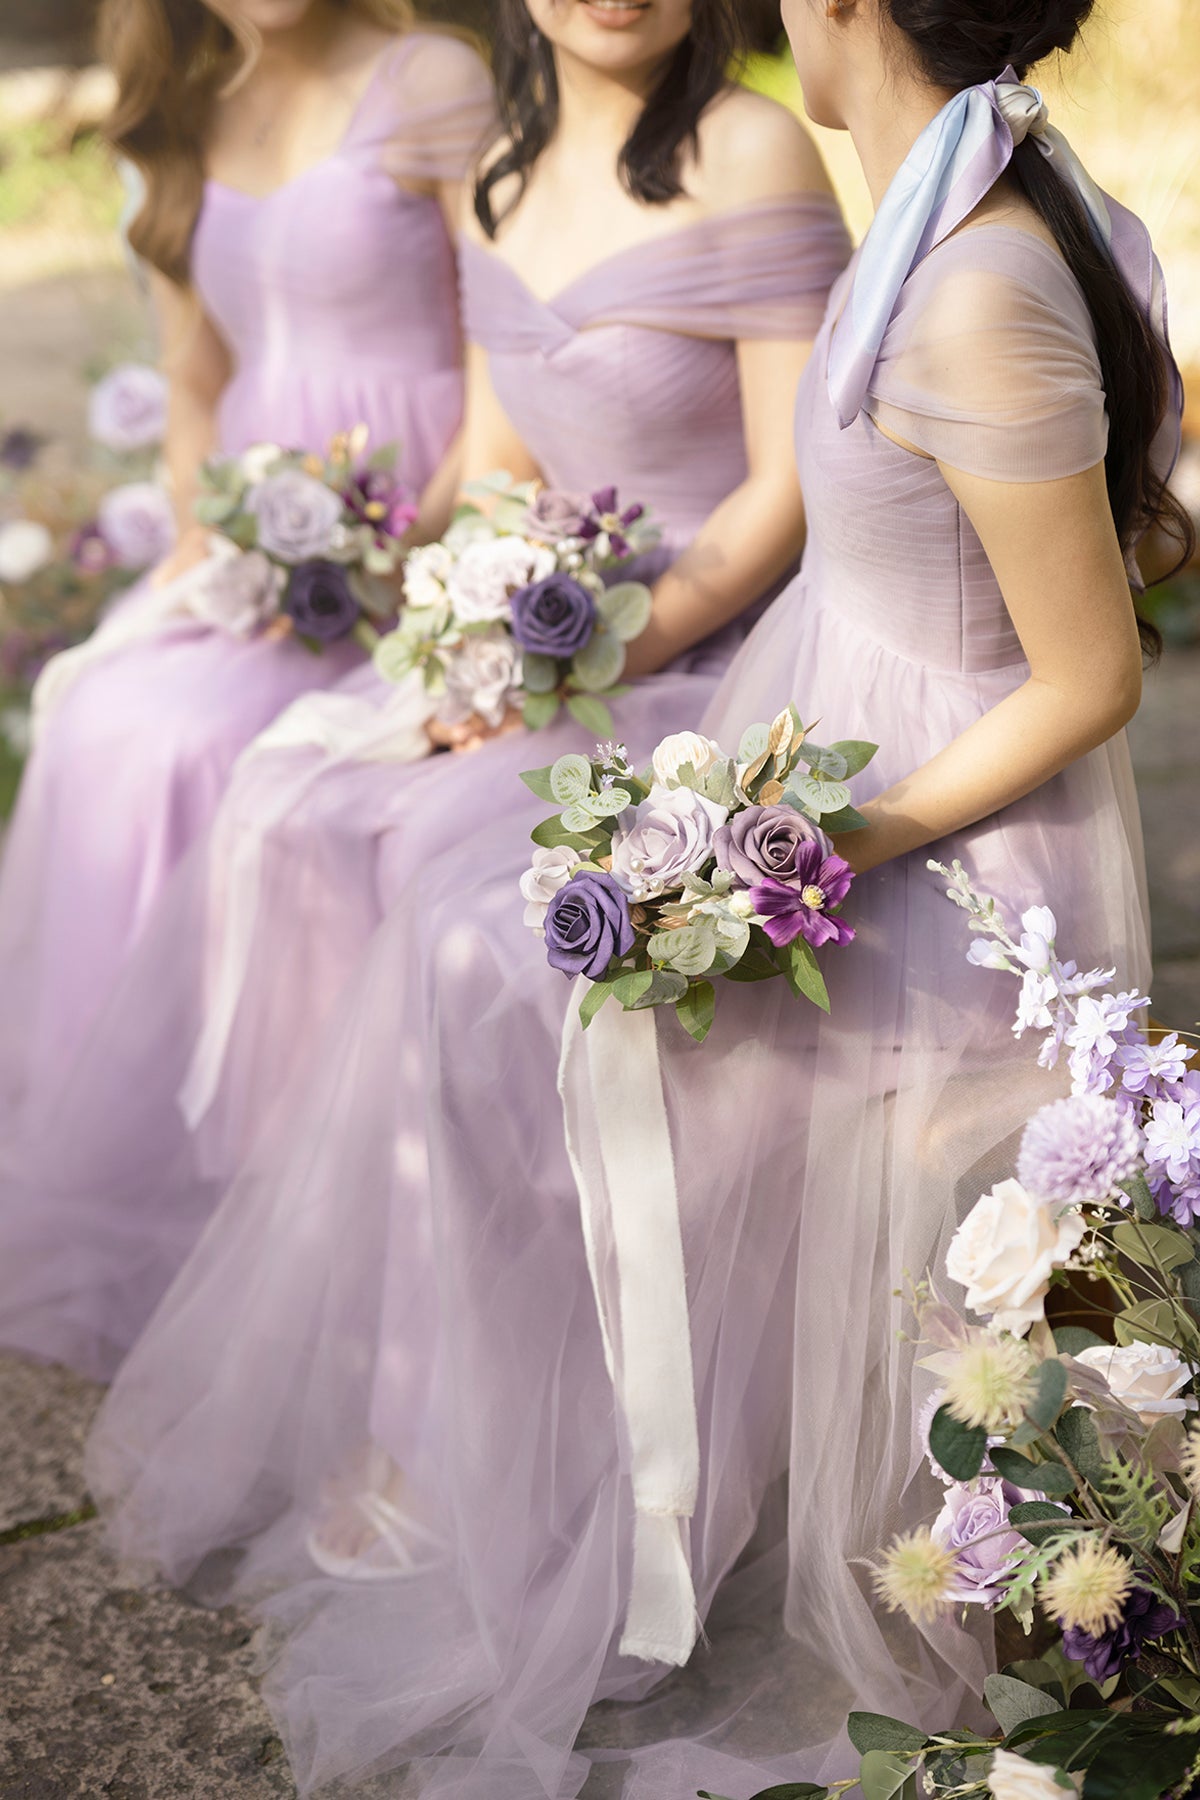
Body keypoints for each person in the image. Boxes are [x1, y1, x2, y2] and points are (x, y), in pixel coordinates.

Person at [93, 0, 1186, 1793]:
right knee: (493, 973)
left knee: (529, 999)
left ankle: (610, 1511)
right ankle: (508, 1454)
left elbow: (1091, 677)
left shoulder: (975, 268)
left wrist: (813, 848)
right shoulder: (946, 186)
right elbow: (1122, 517)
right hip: (837, 755)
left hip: (936, 855)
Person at [0, 0, 848, 1379]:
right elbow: (508, 474)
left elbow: (784, 493)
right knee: (296, 805)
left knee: (427, 873)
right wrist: (474, 639)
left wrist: (573, 648)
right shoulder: (512, 163)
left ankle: (474, 1357)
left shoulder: (749, 147)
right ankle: (333, 1311)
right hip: (557, 633)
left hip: (716, 649)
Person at [0, 0, 492, 1113]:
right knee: (101, 719)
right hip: (256, 554)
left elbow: (502, 351)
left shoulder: (429, 81)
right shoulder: (190, 110)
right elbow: (196, 379)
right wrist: (206, 546)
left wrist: (408, 542)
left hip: (421, 535)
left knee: (190, 742)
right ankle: (127, 1114)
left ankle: (264, 1125)